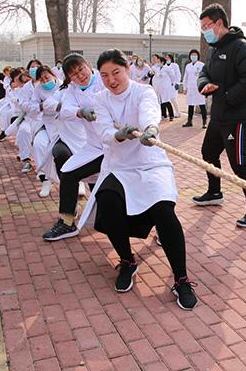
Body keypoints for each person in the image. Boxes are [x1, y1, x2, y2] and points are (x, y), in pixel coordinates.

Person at [77, 48, 197, 310]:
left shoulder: (144, 91)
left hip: (150, 162)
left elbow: (149, 112)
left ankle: (181, 278)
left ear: (128, 69)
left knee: (164, 210)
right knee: (107, 199)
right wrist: (118, 134)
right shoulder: (101, 99)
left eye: (116, 72)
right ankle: (127, 261)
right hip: (119, 165)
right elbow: (104, 132)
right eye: (105, 75)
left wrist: (151, 128)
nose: (111, 80)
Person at [192, 3, 246, 227]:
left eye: (206, 26)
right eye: (202, 27)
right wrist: (204, 85)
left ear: (219, 23)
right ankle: (215, 192)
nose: (204, 32)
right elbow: (204, 73)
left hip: (238, 118)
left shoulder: (241, 48)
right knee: (208, 153)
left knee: (239, 164)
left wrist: (225, 94)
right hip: (219, 116)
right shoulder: (215, 50)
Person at [42, 54, 104, 241]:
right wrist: (79, 111)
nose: (80, 75)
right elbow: (64, 108)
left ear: (89, 65)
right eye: (74, 74)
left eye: (81, 69)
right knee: (68, 171)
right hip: (95, 146)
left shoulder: (105, 81)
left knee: (138, 188)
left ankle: (159, 225)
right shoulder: (71, 90)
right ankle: (67, 222)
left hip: (122, 146)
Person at [28, 65, 61, 197]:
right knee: (39, 144)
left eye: (47, 77)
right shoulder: (38, 89)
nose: (45, 81)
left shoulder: (64, 86)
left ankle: (79, 180)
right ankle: (45, 179)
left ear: (53, 75)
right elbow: (32, 106)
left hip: (64, 123)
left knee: (70, 148)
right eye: (41, 79)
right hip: (46, 123)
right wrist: (42, 105)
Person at [182, 49, 207, 128]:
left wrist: (204, 86)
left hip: (199, 88)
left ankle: (204, 122)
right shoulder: (188, 66)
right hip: (190, 88)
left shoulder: (201, 65)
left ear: (198, 56)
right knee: (190, 105)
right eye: (192, 55)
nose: (193, 56)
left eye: (195, 55)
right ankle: (189, 121)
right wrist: (184, 87)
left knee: (202, 105)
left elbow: (204, 76)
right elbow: (185, 77)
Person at [150, 54, 176, 121]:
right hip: (159, 87)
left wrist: (172, 83)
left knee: (166, 101)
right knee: (161, 101)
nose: (157, 63)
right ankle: (163, 115)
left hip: (166, 87)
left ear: (162, 62)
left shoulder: (167, 68)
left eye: (159, 61)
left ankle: (171, 115)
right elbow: (156, 74)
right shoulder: (158, 68)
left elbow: (172, 76)